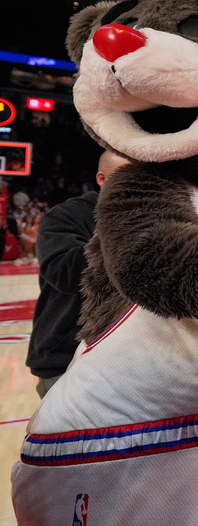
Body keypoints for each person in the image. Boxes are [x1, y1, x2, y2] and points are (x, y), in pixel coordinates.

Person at [25, 150, 129, 397]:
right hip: (67, 357)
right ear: (102, 179)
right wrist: (125, 227)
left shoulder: (159, 216)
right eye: (125, 176)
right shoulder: (65, 216)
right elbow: (65, 274)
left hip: (129, 358)